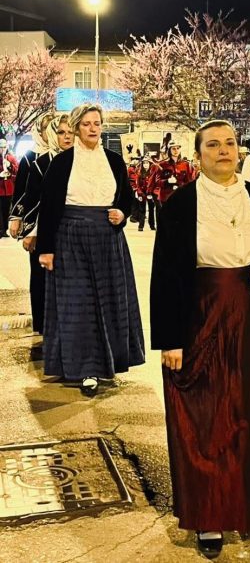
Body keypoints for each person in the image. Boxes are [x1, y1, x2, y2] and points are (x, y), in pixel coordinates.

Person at [150, 119, 250, 558]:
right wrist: (170, 340)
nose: (224, 150)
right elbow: (166, 274)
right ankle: (210, 515)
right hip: (200, 317)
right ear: (198, 155)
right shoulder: (181, 204)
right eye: (213, 145)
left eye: (230, 143)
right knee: (207, 417)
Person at [36, 103, 145, 397]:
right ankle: (86, 368)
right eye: (86, 124)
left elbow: (126, 198)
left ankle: (109, 361)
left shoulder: (114, 160)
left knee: (109, 302)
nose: (93, 128)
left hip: (107, 239)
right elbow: (49, 208)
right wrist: (46, 249)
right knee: (78, 304)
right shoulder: (62, 163)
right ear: (76, 128)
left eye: (97, 123)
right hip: (69, 239)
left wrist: (122, 213)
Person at [18, 114, 74, 335]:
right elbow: (31, 197)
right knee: (41, 277)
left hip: (73, 230)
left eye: (71, 132)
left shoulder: (82, 161)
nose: (67, 137)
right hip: (43, 230)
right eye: (61, 132)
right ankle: (42, 324)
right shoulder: (39, 162)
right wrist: (28, 229)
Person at [8, 113, 54, 239]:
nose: (50, 131)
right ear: (39, 131)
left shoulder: (65, 154)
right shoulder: (30, 157)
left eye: (53, 127)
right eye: (46, 128)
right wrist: (16, 217)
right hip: (35, 213)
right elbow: (21, 188)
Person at [157, 141, 196, 206]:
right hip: (166, 197)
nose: (176, 150)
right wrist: (167, 181)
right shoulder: (162, 165)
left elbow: (190, 182)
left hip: (181, 196)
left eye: (178, 148)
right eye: (173, 148)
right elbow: (157, 182)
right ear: (169, 150)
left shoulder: (186, 164)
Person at [135, 157, 160, 231]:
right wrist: (140, 194)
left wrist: (151, 193)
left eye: (147, 163)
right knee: (142, 209)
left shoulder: (153, 173)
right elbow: (138, 185)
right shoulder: (139, 173)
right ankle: (141, 226)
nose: (145, 165)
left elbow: (154, 184)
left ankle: (152, 225)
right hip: (142, 193)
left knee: (151, 209)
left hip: (150, 193)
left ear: (150, 164)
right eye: (144, 163)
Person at [0, 138, 18, 237]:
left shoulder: (11, 158)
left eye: (4, 147)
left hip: (9, 188)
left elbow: (17, 170)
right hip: (0, 188)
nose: (2, 149)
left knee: (6, 210)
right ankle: (1, 230)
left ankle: (5, 229)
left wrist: (10, 165)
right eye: (1, 147)